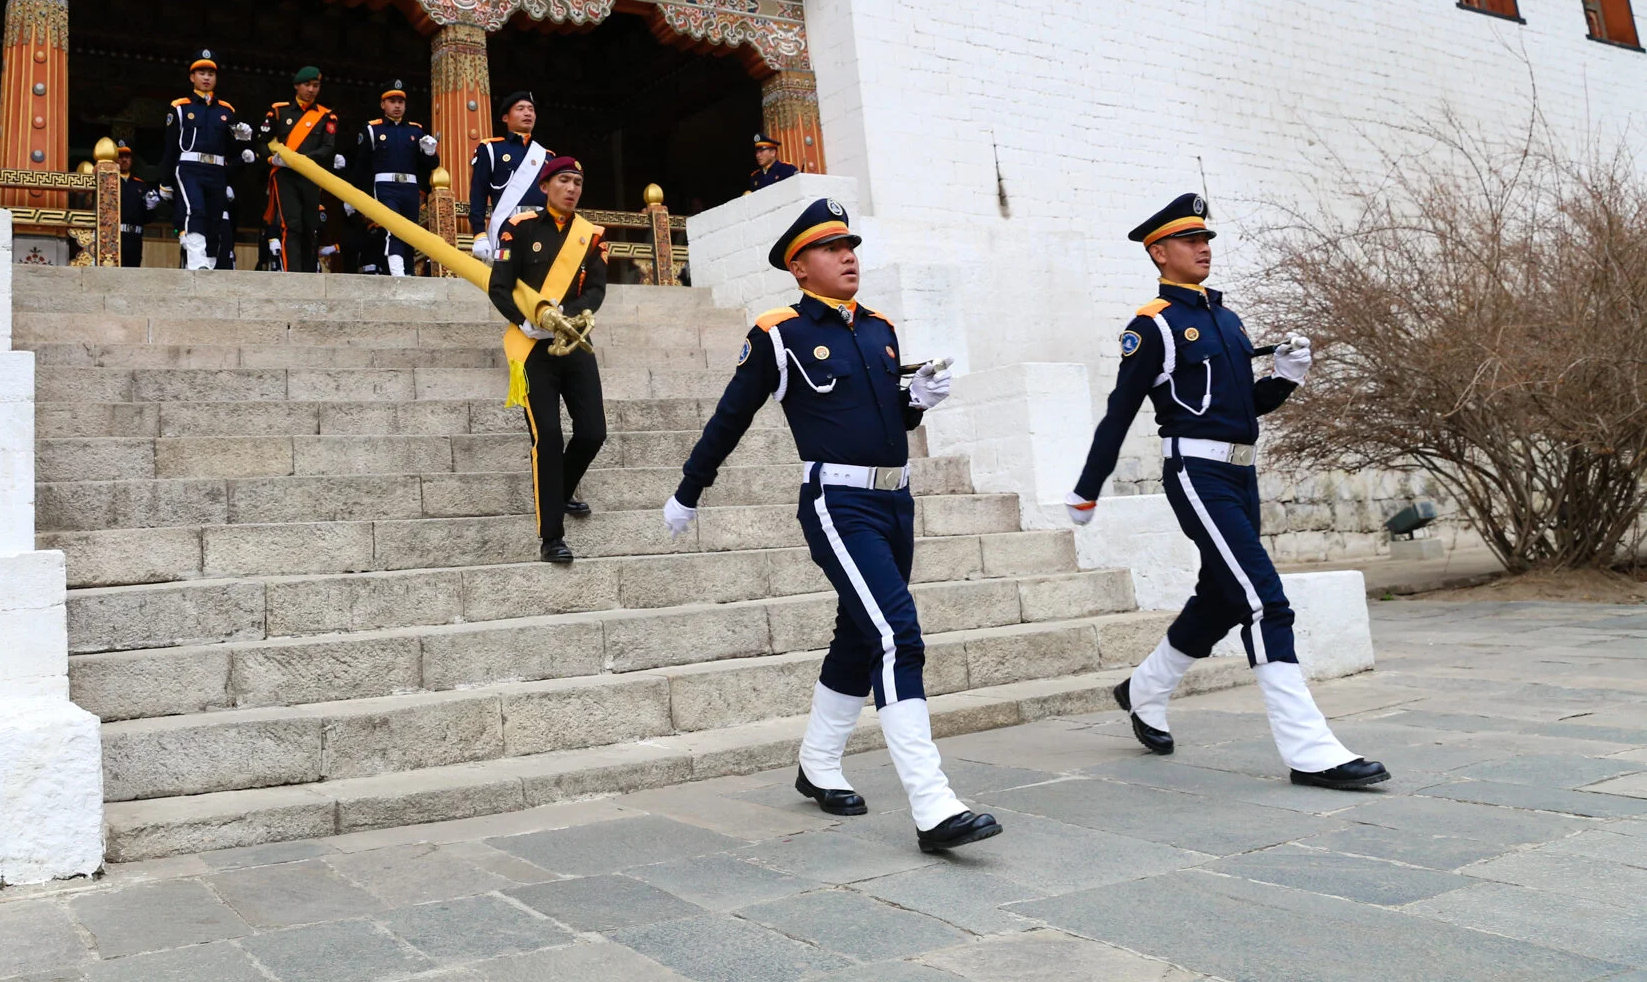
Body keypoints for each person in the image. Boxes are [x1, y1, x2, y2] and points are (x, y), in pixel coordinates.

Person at [661, 199, 1001, 853]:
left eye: (851, 246)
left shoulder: (880, 329)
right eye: (831, 248)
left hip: (896, 500)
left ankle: (817, 764)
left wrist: (917, 402)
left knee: (858, 633)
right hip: (837, 502)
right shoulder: (779, 333)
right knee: (897, 635)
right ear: (799, 266)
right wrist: (689, 489)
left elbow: (890, 418)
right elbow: (731, 417)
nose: (848, 257)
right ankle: (933, 806)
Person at [1066, 194, 1389, 791]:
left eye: (1206, 239)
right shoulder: (1153, 327)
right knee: (1265, 600)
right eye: (1189, 241)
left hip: (1241, 473)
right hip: (1196, 473)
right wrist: (1088, 488)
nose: (1203, 248)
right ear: (1158, 252)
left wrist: (1285, 379)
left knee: (1220, 597)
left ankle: (1142, 690)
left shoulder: (1229, 319)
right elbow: (1120, 412)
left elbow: (1243, 409)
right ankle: (1310, 751)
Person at [488, 156, 607, 565]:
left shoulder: (591, 236)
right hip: (531, 350)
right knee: (549, 438)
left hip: (572, 343)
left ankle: (559, 491)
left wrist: (567, 316)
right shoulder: (520, 228)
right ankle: (551, 537)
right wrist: (526, 321)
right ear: (544, 186)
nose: (572, 189)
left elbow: (596, 290)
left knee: (593, 432)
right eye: (564, 180)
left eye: (577, 182)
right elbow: (499, 286)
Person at [162, 50, 254, 271]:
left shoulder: (226, 110)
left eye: (210, 74)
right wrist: (165, 182)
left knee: (215, 217)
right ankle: (197, 261)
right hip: (189, 167)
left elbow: (230, 148)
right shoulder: (180, 107)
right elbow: (170, 145)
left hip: (216, 169)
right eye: (201, 73)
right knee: (195, 210)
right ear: (192, 77)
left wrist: (242, 138)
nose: (206, 78)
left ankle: (210, 262)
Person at [348, 79, 438, 276]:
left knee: (411, 230)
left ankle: (408, 272)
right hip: (385, 185)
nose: (397, 106)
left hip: (410, 187)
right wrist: (351, 194)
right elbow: (361, 165)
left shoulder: (416, 130)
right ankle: (397, 272)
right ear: (383, 104)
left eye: (400, 102)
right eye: (392, 101)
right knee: (394, 226)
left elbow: (431, 165)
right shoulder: (373, 129)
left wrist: (430, 152)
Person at [259, 66, 339, 273]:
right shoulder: (280, 111)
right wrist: (273, 159)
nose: (311, 90)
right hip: (285, 175)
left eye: (316, 86)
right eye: (307, 85)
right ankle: (292, 274)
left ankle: (308, 273)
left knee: (310, 226)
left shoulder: (326, 116)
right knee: (291, 225)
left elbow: (327, 148)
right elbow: (262, 141)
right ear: (296, 86)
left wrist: (301, 161)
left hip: (310, 175)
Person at [469, 91, 552, 264]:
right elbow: (478, 194)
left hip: (540, 229)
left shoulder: (547, 156)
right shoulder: (491, 149)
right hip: (506, 228)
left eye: (531, 109)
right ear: (505, 117)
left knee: (537, 276)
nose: (527, 113)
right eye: (520, 109)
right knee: (504, 274)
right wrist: (479, 233)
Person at [115, 142, 161, 267]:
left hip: (135, 236)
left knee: (133, 269)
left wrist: (151, 207)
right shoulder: (110, 182)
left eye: (127, 157)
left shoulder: (140, 185)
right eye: (120, 157)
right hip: (115, 236)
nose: (124, 160)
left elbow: (148, 217)